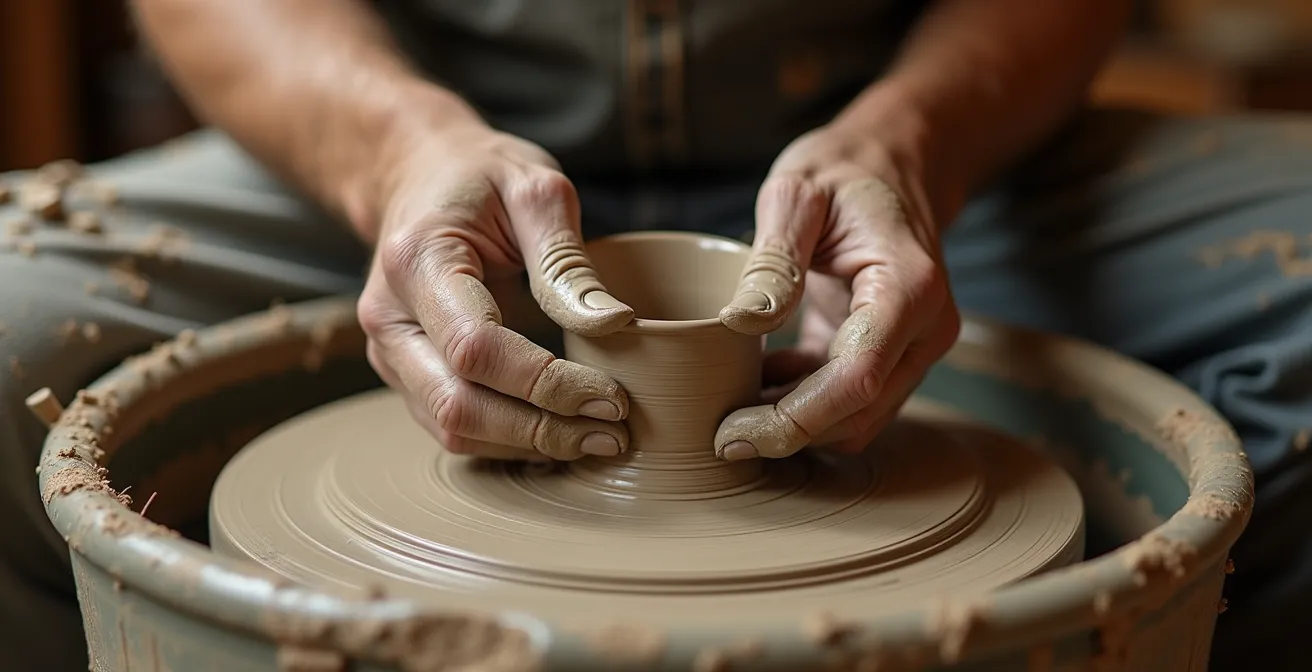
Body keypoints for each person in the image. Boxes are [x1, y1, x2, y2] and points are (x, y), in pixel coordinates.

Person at [1, 0, 1308, 668]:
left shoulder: (911, 153)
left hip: (910, 154)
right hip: (406, 148)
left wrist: (913, 146)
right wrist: (398, 151)